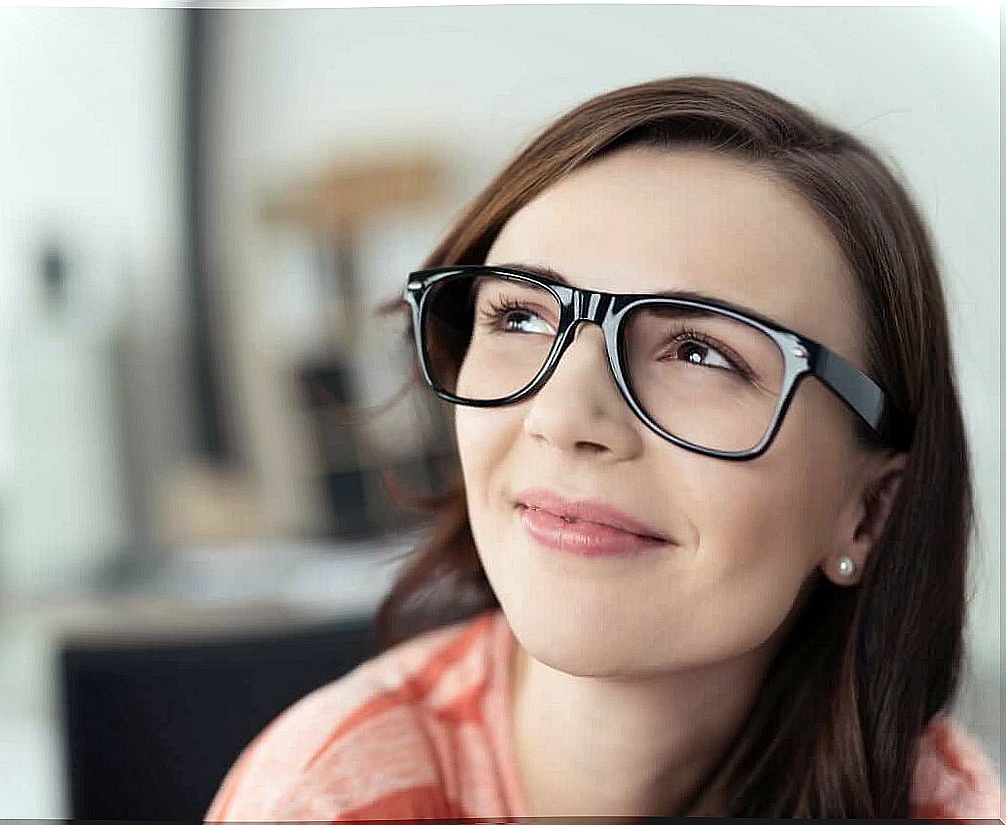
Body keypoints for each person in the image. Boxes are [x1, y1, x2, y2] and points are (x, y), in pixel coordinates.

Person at [205, 75, 1001, 820]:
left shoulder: (938, 803)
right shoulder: (329, 795)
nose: (562, 415)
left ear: (868, 509)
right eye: (519, 316)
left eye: (700, 352)